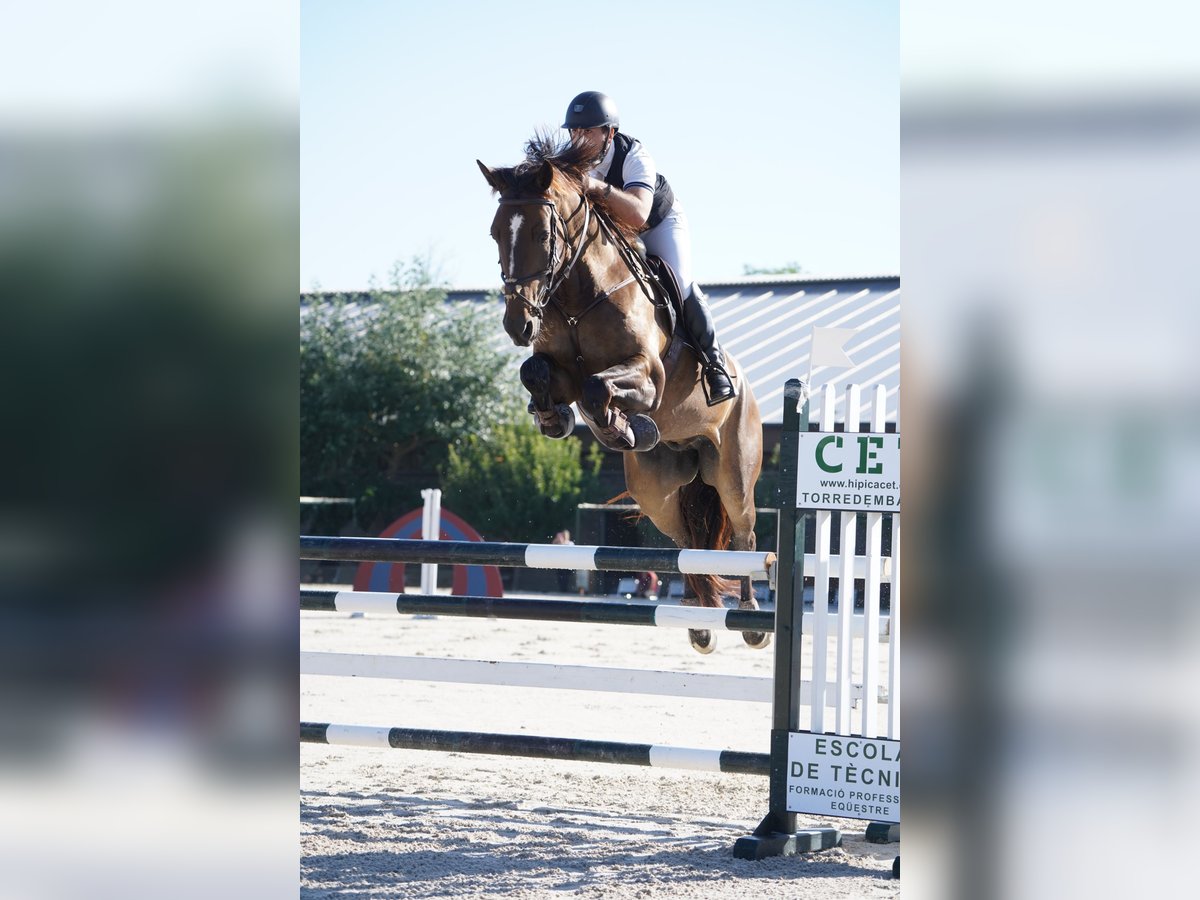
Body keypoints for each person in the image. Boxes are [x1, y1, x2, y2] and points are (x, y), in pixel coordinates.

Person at [562, 90, 735, 405]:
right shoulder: (569, 160)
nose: (579, 139)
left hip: (656, 225)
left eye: (587, 131)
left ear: (609, 133)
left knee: (680, 285)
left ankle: (714, 365)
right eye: (574, 131)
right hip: (614, 232)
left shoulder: (635, 156)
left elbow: (638, 213)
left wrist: (596, 187)